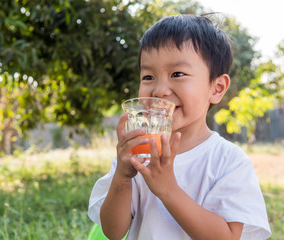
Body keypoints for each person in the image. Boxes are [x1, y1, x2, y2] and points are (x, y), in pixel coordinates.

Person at [88, 14, 271, 239]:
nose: (159, 90)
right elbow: (113, 232)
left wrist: (168, 189)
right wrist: (123, 177)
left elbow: (227, 236)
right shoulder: (138, 153)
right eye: (148, 77)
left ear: (216, 88)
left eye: (177, 74)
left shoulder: (228, 161)